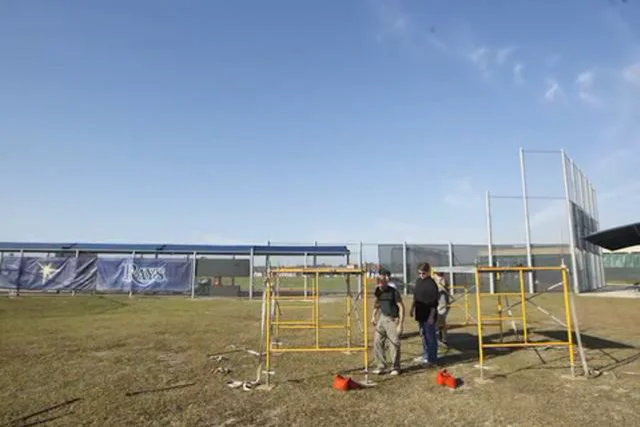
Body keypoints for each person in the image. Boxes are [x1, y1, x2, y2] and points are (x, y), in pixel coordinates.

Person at [371, 267, 405, 375]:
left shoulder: (394, 292)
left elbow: (401, 307)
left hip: (392, 319)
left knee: (394, 343)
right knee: (377, 341)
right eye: (379, 282)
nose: (381, 284)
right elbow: (376, 304)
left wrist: (400, 324)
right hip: (382, 318)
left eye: (383, 282)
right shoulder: (377, 291)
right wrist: (373, 316)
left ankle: (396, 367)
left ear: (387, 281)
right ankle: (381, 366)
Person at [410, 262, 439, 366]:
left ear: (428, 272)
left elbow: (434, 303)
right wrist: (412, 308)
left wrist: (431, 316)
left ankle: (432, 359)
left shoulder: (431, 284)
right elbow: (415, 296)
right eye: (419, 273)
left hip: (429, 315)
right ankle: (426, 355)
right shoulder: (418, 281)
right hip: (420, 313)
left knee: (430, 337)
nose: (421, 275)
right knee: (423, 335)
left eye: (423, 273)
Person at [434, 272, 451, 346]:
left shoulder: (443, 280)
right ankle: (440, 337)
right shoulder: (433, 279)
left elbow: (444, 286)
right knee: (437, 322)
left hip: (442, 305)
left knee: (441, 322)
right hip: (436, 304)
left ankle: (443, 339)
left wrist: (440, 285)